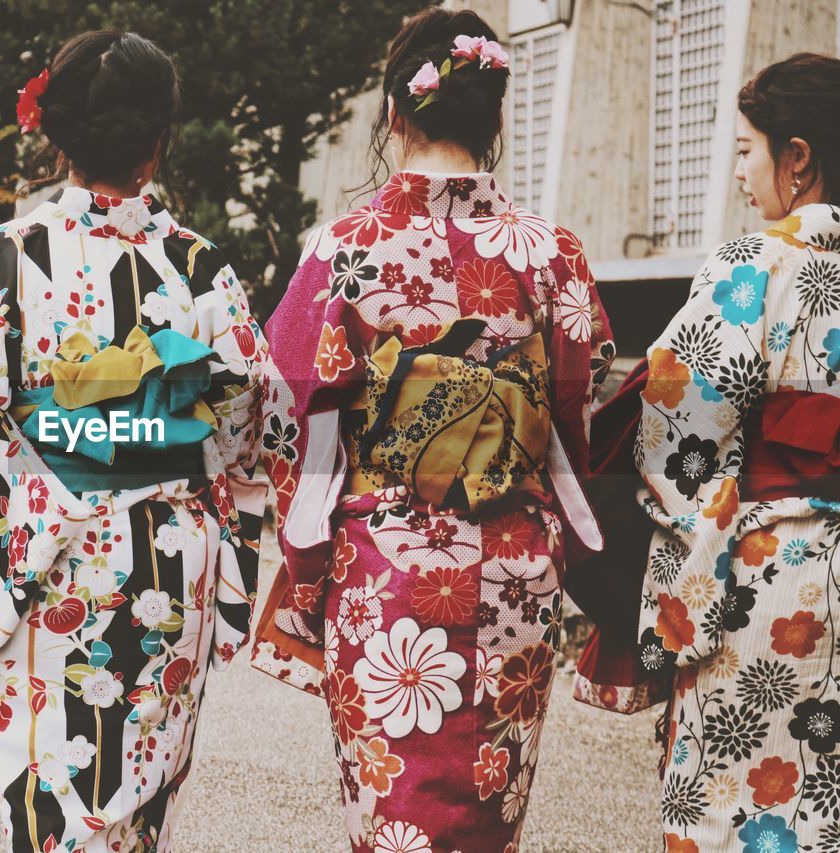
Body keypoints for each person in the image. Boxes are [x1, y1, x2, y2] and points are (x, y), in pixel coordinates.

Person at [0, 30, 269, 852]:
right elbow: (246, 426)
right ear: (160, 139)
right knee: (137, 816)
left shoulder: (1, 260)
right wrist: (220, 533)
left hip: (38, 570)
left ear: (55, 132)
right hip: (169, 570)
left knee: (52, 817)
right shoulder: (201, 271)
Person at [250, 8, 615, 851]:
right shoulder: (550, 251)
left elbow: (286, 403)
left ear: (393, 112)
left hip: (386, 571)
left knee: (393, 824)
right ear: (494, 120)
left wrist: (307, 567)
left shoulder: (344, 248)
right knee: (489, 819)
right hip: (516, 566)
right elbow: (580, 392)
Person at [628, 53, 840, 851]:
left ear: (799, 158)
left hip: (770, 577)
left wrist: (682, 596)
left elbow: (676, 439)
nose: (740, 174)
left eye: (747, 150)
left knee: (737, 805)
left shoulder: (753, 267)